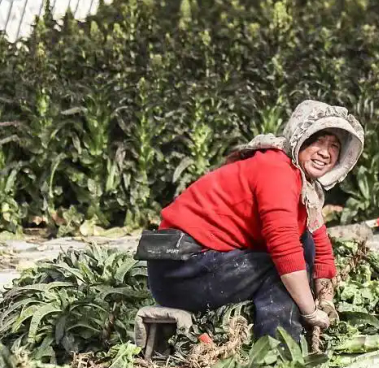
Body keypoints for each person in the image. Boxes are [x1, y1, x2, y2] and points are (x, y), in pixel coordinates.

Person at [135, 100, 364, 341]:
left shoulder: (305, 189)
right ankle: (279, 352)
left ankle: (282, 332)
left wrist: (326, 300)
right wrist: (311, 312)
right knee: (282, 272)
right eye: (317, 141)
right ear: (299, 138)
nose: (325, 152)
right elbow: (284, 251)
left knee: (304, 244)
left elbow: (319, 247)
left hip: (200, 262)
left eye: (334, 146)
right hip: (180, 271)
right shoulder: (277, 170)